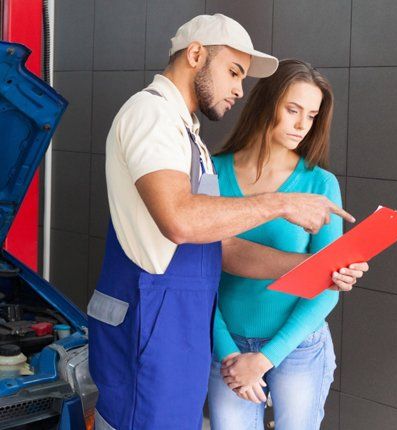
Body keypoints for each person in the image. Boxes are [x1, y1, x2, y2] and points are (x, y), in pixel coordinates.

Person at [87, 14, 359, 430]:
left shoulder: (185, 133)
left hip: (177, 324)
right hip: (151, 318)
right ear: (196, 54)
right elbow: (180, 220)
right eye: (233, 72)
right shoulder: (152, 115)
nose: (238, 89)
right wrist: (281, 204)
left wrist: (321, 267)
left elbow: (222, 248)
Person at [208, 60, 368, 430]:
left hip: (299, 345)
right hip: (226, 345)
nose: (301, 125)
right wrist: (229, 353)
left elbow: (327, 288)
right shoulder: (212, 174)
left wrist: (264, 359)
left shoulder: (320, 184)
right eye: (292, 110)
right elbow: (199, 276)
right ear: (266, 104)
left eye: (311, 115)